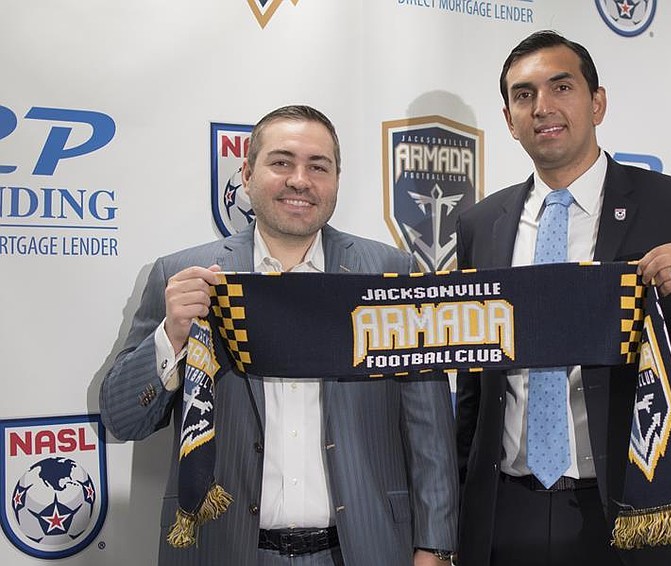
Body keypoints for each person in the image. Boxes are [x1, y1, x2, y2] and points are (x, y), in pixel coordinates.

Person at [454, 31, 671, 566]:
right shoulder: (480, 224)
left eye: (561, 87)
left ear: (597, 102)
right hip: (504, 514)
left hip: (630, 513)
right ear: (509, 119)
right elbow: (471, 391)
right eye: (524, 94)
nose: (543, 107)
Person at [100, 105, 457, 566]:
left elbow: (429, 428)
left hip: (362, 549)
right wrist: (172, 334)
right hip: (224, 550)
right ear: (247, 174)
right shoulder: (182, 277)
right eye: (281, 162)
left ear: (336, 180)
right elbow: (122, 419)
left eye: (318, 166)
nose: (299, 180)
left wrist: (435, 545)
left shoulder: (391, 273)